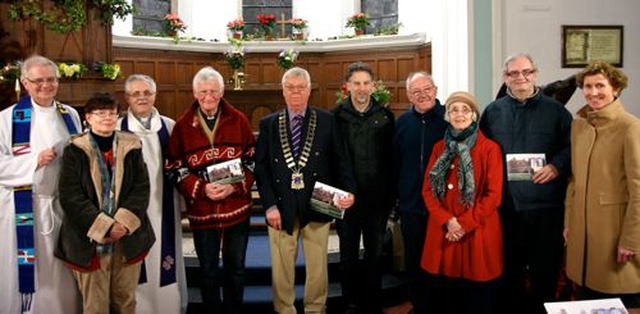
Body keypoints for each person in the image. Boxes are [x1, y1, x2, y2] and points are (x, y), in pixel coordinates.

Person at [254, 67, 356, 314]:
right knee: (281, 267)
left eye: (301, 87)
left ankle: (315, 309)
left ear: (309, 90)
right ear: (283, 90)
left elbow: (341, 160)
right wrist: (269, 205)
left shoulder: (327, 120)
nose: (296, 92)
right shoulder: (268, 124)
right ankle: (284, 310)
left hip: (318, 203)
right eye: (290, 87)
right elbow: (262, 168)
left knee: (318, 266)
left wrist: (348, 191)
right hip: (280, 205)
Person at [479, 53, 573, 314]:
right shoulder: (492, 111)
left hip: (546, 206)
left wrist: (556, 166)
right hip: (507, 206)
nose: (521, 77)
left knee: (545, 270)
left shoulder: (556, 111)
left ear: (536, 74)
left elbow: (570, 146)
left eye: (526, 72)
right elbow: (483, 151)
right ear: (505, 78)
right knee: (509, 270)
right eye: (513, 73)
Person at [165, 66, 255, 314]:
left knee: (236, 269)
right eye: (203, 91)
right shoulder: (182, 126)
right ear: (194, 93)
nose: (208, 97)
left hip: (236, 208)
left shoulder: (239, 120)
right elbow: (173, 166)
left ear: (222, 91)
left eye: (213, 91)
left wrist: (233, 187)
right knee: (207, 270)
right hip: (202, 210)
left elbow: (252, 159)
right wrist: (202, 188)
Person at [55, 92, 154, 313]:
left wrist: (122, 224)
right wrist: (105, 226)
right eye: (100, 113)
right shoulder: (75, 149)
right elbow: (70, 195)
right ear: (88, 118)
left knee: (126, 301)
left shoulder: (132, 145)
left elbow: (141, 188)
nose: (107, 118)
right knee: (95, 305)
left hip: (127, 237)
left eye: (112, 113)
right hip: (87, 239)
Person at [0, 55, 82, 314]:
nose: (45, 85)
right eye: (38, 81)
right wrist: (35, 160)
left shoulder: (70, 115)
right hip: (25, 208)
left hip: (64, 208)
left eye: (51, 79)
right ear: (25, 82)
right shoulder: (7, 119)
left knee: (63, 275)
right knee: (32, 276)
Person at [564, 61, 640, 307]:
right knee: (587, 299)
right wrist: (569, 222)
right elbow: (574, 181)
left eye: (600, 85)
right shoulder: (579, 125)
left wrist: (632, 239)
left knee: (617, 300)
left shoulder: (630, 127)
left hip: (614, 233)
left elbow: (638, 189)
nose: (593, 92)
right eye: (587, 86)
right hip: (582, 230)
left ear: (615, 88)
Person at [422, 91, 504, 314]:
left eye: (465, 109)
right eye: (454, 110)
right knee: (447, 294)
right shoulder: (439, 148)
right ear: (447, 115)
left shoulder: (490, 149)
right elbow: (428, 189)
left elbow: (493, 195)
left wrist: (463, 224)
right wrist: (448, 220)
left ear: (474, 115)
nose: (460, 114)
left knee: (477, 295)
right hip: (444, 229)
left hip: (477, 230)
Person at [117, 74, 187, 313]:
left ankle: (168, 307)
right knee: (135, 262)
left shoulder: (169, 127)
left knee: (165, 260)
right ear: (127, 97)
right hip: (128, 211)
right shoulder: (116, 128)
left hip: (163, 205)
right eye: (136, 94)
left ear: (155, 95)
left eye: (147, 93)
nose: (142, 98)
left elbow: (181, 167)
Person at [331, 61, 395, 313]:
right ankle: (350, 301)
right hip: (346, 200)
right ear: (347, 86)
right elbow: (332, 158)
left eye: (366, 83)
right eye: (356, 83)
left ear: (373, 86)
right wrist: (338, 194)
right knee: (347, 255)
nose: (361, 88)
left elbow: (391, 160)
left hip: (377, 201)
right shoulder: (335, 117)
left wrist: (390, 197)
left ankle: (372, 301)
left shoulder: (385, 117)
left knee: (374, 254)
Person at [393, 71, 448, 313]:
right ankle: (419, 304)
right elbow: (395, 162)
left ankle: (441, 305)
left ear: (435, 90)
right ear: (409, 96)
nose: (423, 95)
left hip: (444, 206)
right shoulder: (402, 123)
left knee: (442, 258)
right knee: (414, 259)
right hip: (411, 205)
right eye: (416, 92)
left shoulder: (450, 118)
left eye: (427, 89)